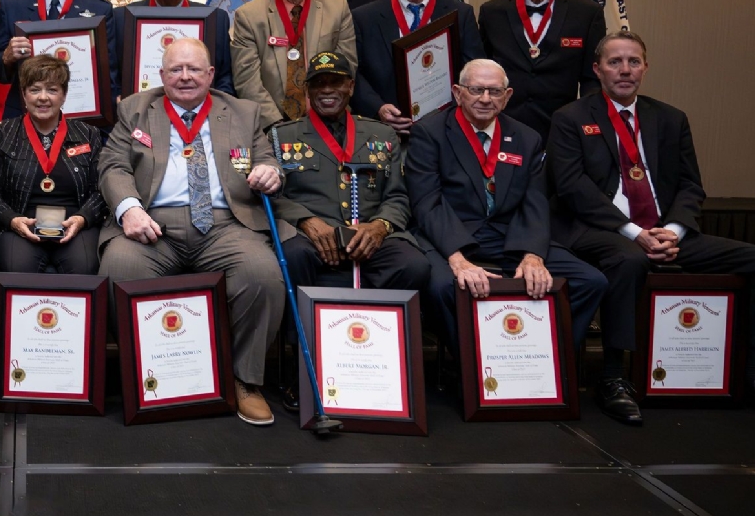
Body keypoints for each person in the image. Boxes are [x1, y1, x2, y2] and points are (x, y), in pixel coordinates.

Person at [547, 31, 755, 423]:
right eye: (615, 62)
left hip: (665, 233)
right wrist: (634, 233)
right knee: (629, 260)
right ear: (597, 69)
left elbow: (691, 185)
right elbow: (572, 188)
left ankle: (747, 371)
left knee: (751, 258)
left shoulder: (671, 118)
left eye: (634, 62)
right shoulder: (570, 118)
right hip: (600, 230)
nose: (625, 70)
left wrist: (673, 231)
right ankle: (613, 377)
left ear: (645, 67)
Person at [97, 38, 289, 426]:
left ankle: (244, 380)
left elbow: (269, 160)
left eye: (194, 69)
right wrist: (129, 209)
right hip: (153, 223)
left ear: (211, 74)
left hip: (226, 224)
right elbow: (113, 165)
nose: (185, 77)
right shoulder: (135, 109)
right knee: (119, 268)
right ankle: (145, 377)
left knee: (262, 275)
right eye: (176, 70)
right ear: (162, 75)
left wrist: (270, 173)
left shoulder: (243, 112)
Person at [404, 58, 607, 357]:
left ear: (507, 96)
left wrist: (533, 255)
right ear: (458, 93)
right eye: (476, 90)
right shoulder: (429, 132)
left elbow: (535, 201)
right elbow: (427, 201)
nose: (486, 99)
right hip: (450, 235)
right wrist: (457, 259)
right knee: (443, 287)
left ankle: (545, 360)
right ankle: (470, 366)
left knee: (590, 281)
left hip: (508, 237)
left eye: (495, 91)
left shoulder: (526, 137)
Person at [270, 50, 431, 410]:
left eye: (336, 82)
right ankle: (304, 368)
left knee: (414, 265)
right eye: (319, 83)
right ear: (308, 91)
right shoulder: (282, 137)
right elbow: (273, 197)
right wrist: (306, 221)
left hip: (373, 235)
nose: (328, 90)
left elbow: (398, 196)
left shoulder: (382, 134)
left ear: (351, 87)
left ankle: (378, 361)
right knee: (292, 256)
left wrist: (380, 226)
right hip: (313, 238)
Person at [0, 55, 105, 274]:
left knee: (84, 266)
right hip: (18, 223)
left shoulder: (88, 134)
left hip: (75, 225)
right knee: (18, 266)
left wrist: (82, 219)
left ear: (64, 95)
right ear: (24, 94)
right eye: (35, 90)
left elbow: (100, 191)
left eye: (52, 90)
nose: (43, 98)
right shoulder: (3, 133)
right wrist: (12, 220)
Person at [351, 0, 485, 134]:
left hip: (446, 132)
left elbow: (474, 73)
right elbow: (354, 74)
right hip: (383, 131)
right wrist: (378, 108)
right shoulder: (364, 18)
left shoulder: (461, 15)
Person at [478, 0, 605, 140]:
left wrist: (587, 127)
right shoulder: (492, 13)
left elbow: (592, 80)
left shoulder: (586, 14)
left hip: (562, 130)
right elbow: (480, 72)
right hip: (502, 127)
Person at [231, 0, 356, 130]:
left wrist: (326, 114)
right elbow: (247, 80)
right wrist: (276, 125)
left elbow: (347, 68)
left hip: (329, 119)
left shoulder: (337, 7)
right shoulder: (249, 16)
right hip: (270, 124)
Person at [107, 0, 233, 98]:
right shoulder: (121, 18)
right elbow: (110, 72)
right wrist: (119, 99)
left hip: (198, 109)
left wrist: (213, 105)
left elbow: (225, 77)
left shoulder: (215, 21)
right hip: (137, 109)